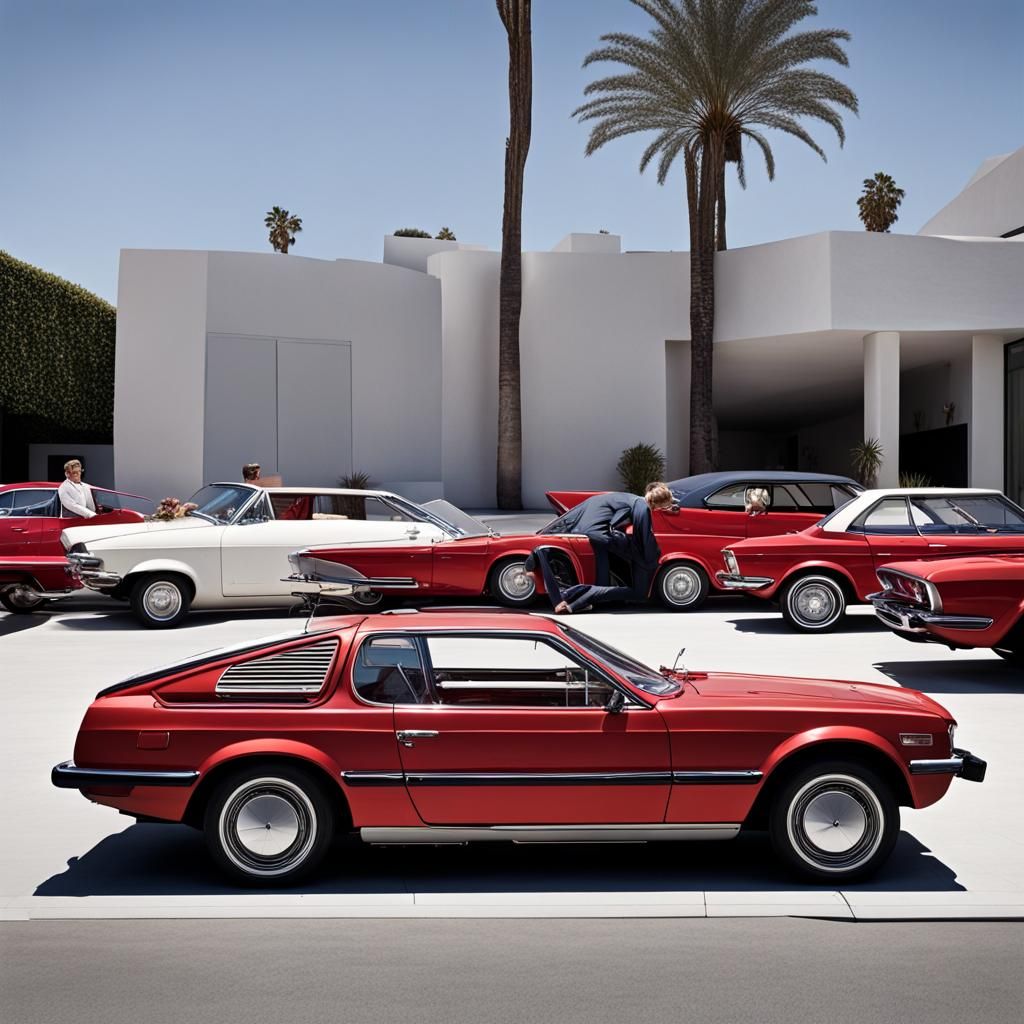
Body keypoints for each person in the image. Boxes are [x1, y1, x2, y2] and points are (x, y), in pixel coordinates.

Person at [531, 481, 675, 613]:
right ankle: (573, 597)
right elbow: (643, 539)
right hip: (600, 535)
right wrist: (654, 561)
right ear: (659, 504)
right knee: (639, 592)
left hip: (592, 531)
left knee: (603, 582)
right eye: (666, 506)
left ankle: (575, 600)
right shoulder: (643, 508)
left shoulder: (632, 499)